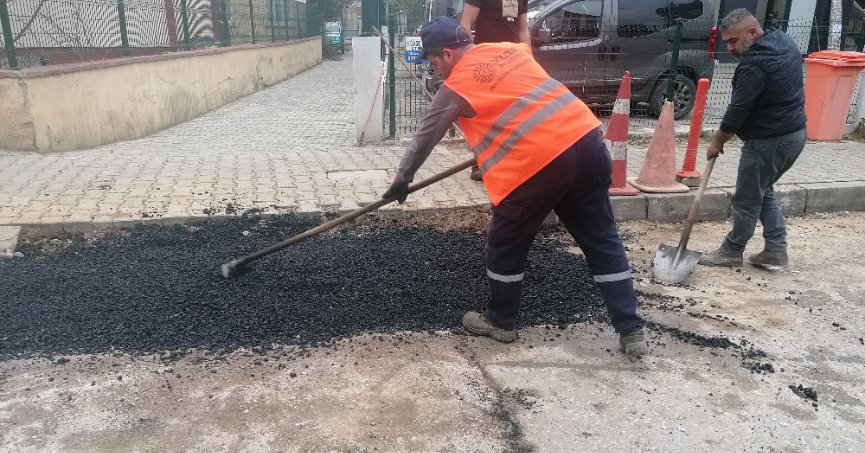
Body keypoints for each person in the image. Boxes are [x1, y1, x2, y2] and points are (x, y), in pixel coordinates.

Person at [381, 16, 647, 355]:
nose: (435, 71)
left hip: (538, 163)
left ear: (447, 54)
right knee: (603, 240)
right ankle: (631, 330)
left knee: (505, 241)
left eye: (433, 62)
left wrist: (402, 178)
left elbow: (424, 138)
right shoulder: (510, 50)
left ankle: (500, 321)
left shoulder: (457, 84)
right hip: (588, 143)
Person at [699, 9, 806, 268]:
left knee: (747, 199)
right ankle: (776, 250)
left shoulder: (755, 65)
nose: (730, 48)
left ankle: (732, 251)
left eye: (733, 41)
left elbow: (737, 112)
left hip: (768, 143)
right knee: (761, 190)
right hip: (795, 135)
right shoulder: (784, 41)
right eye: (726, 42)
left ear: (753, 32)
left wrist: (717, 142)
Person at [459, 0, 532, 181]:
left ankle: (508, 162)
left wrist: (529, 59)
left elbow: (523, 29)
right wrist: (471, 56)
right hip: (486, 62)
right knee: (485, 114)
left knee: (512, 113)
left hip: (512, 61)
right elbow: (465, 23)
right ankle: (481, 163)